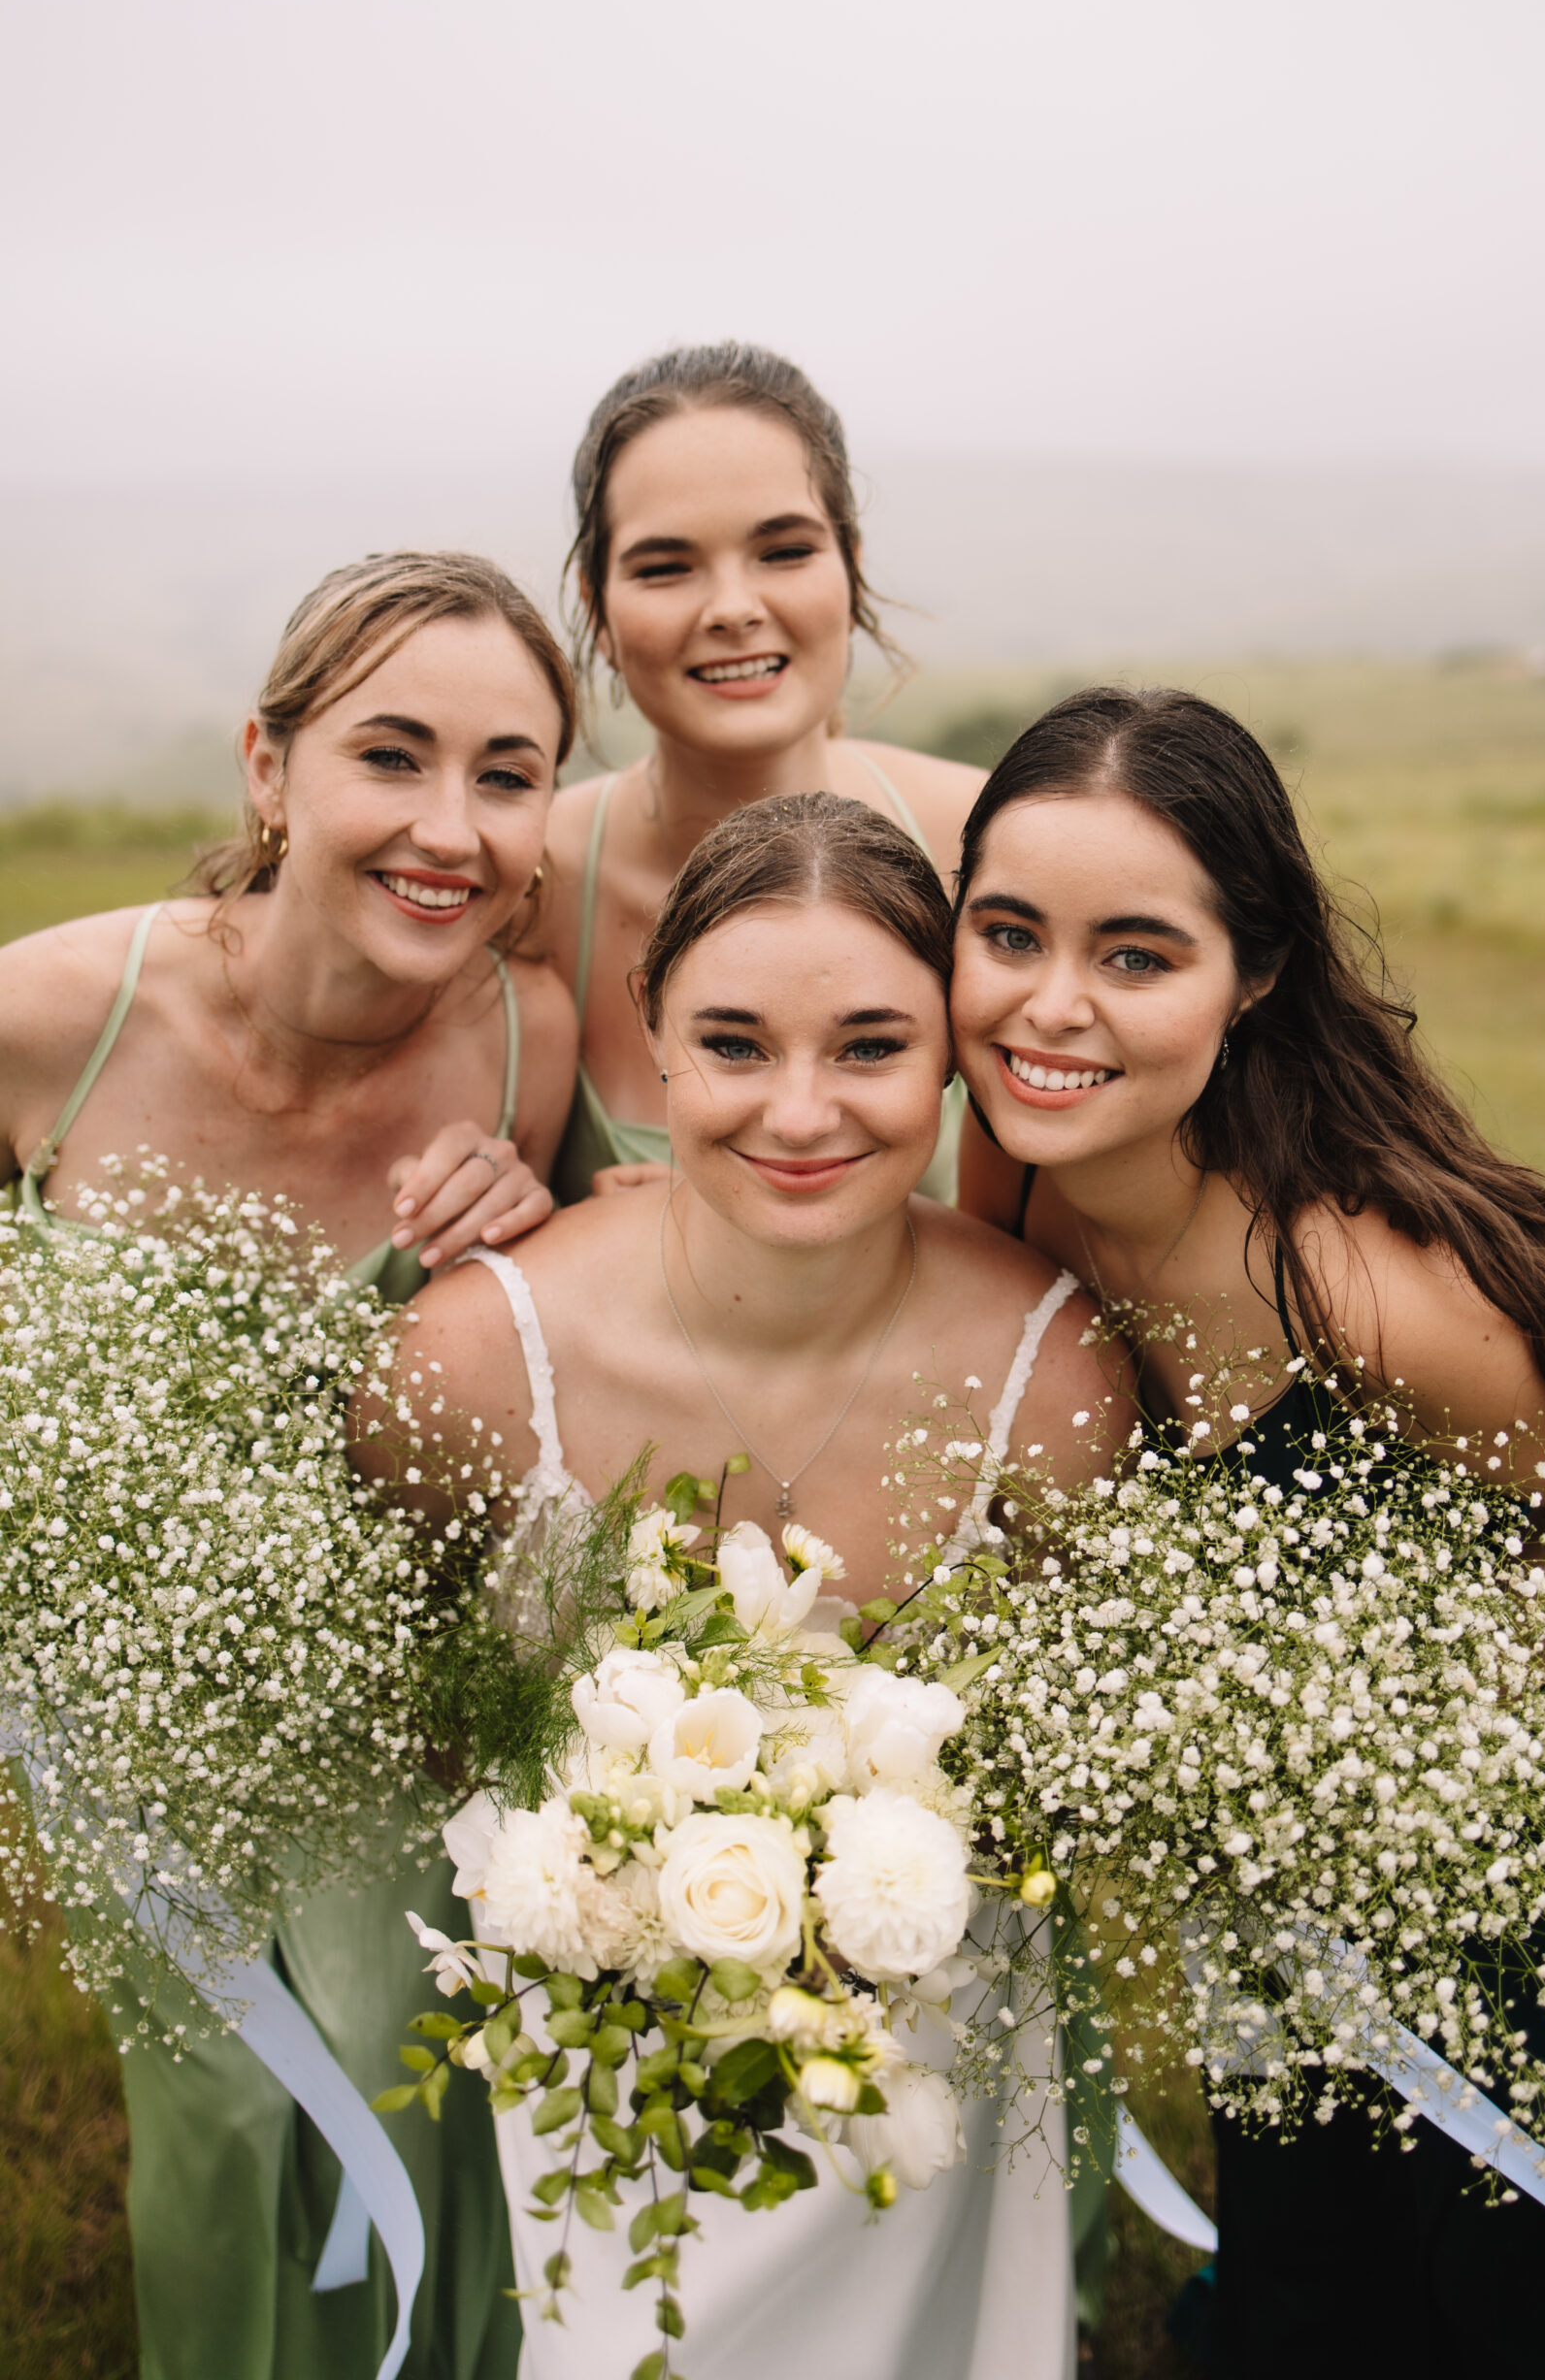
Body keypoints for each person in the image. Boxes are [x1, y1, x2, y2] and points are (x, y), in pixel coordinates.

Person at [370, 790, 1130, 2380]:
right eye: (734, 1045)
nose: (802, 1113)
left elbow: (1068, 1752)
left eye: (869, 1048)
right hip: (600, 2069)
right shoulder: (471, 1361)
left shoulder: (1049, 1372)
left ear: (952, 1060)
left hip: (937, 2060)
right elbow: (425, 1709)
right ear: (648, 1045)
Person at [948, 684, 1545, 2377]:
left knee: (1527, 2302)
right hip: (1303, 1894)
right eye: (1007, 934)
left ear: (1250, 978)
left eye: (1135, 955)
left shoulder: (1357, 1286)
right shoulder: (1017, 1179)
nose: (1052, 1008)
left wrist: (1410, 1707)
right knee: (1315, 2287)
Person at [0, 550, 580, 2380]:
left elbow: (547, 1374)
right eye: (390, 757)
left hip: (411, 1702)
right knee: (237, 2130)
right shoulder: (49, 1019)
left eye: (506, 774)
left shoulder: (526, 1036)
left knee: (416, 2074)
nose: (449, 827)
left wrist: (532, 1221)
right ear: (269, 767)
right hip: (141, 1727)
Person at [533, 339, 985, 1205]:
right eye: (665, 567)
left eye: (783, 552)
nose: (734, 609)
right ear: (597, 612)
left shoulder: (985, 848)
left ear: (849, 567)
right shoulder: (528, 879)